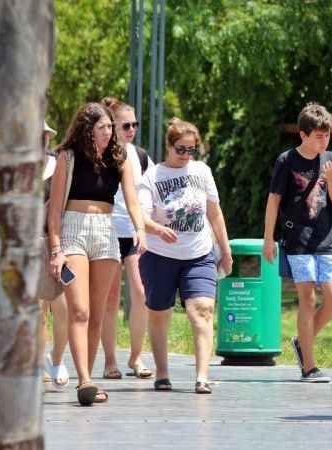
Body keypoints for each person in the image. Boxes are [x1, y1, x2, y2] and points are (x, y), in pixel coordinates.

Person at [47, 103, 148, 406]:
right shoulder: (67, 157)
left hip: (106, 231)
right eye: (103, 127)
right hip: (74, 230)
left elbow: (131, 200)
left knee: (97, 313)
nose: (109, 132)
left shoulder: (120, 158)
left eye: (110, 127)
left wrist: (140, 229)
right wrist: (55, 250)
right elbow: (53, 213)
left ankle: (87, 379)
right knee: (79, 310)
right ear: (87, 131)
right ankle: (85, 380)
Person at [138, 117, 232, 394]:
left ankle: (202, 376)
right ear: (169, 146)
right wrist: (157, 229)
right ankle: (163, 373)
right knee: (159, 314)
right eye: (181, 149)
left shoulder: (202, 171)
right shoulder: (152, 177)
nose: (186, 155)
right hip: (159, 256)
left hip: (198, 254)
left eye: (192, 150)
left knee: (202, 310)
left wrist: (225, 250)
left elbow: (214, 212)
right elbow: (140, 217)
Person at [263, 103, 332, 383]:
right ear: (303, 135)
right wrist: (268, 239)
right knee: (307, 299)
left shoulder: (331, 158)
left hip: (326, 240)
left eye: (328, 135)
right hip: (297, 240)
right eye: (319, 136)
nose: (325, 140)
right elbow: (273, 200)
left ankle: (303, 341)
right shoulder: (287, 161)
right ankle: (309, 366)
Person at [100, 97, 154, 380]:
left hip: (133, 232)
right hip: (107, 232)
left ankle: (136, 356)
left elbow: (151, 192)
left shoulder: (140, 155)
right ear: (111, 126)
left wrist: (149, 226)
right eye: (125, 125)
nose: (131, 129)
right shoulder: (100, 154)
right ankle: (110, 361)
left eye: (135, 124)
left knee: (141, 294)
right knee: (110, 300)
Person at [38, 121, 69, 390]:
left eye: (43, 135)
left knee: (64, 307)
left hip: (55, 242)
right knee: (37, 309)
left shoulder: (58, 165)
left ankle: (56, 357)